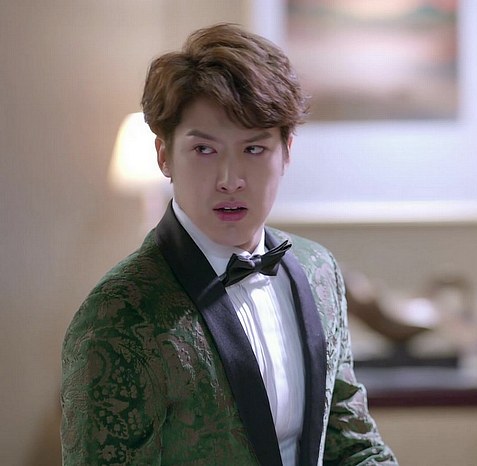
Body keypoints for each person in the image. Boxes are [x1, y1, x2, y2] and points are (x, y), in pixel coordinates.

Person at [61, 23, 397, 466]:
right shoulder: (119, 313)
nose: (230, 180)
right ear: (164, 155)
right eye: (205, 150)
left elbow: (353, 446)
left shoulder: (318, 269)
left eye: (253, 150)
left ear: (287, 151)